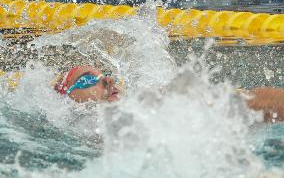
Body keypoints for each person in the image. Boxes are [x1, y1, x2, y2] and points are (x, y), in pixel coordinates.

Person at [55, 66, 284, 123]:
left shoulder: (146, 102)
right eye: (86, 80)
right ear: (68, 99)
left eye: (106, 74)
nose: (107, 79)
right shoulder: (79, 122)